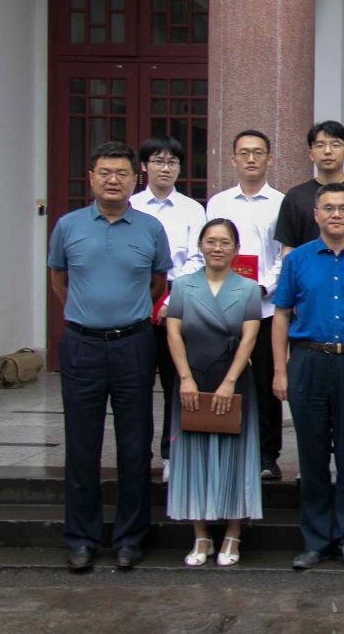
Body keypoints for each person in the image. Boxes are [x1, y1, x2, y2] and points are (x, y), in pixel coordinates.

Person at [48, 141, 171, 572]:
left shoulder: (151, 229)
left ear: (135, 179)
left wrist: (123, 315)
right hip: (82, 344)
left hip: (133, 344)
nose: (113, 180)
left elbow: (157, 284)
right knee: (82, 445)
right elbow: (59, 280)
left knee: (135, 444)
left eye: (122, 173)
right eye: (105, 172)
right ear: (91, 178)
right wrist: (89, 314)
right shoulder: (68, 226)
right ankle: (81, 539)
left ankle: (130, 538)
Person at [272, 182, 344, 571]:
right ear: (316, 215)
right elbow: (281, 315)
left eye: (343, 208)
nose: (336, 214)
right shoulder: (297, 260)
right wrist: (280, 370)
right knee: (313, 454)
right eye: (328, 208)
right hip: (308, 361)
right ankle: (315, 540)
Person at [165, 219, 263, 568]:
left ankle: (233, 533)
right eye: (210, 241)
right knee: (194, 453)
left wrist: (230, 381)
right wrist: (185, 378)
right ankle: (201, 535)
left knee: (235, 454)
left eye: (224, 242)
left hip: (233, 379)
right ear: (200, 246)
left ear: (236, 249)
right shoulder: (182, 286)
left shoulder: (249, 289)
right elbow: (173, 333)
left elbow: (250, 337)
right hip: (193, 377)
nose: (217, 248)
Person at [205, 129, 287, 482]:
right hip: (224, 306)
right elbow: (209, 250)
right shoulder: (218, 203)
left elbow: (285, 254)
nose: (251, 159)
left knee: (267, 383)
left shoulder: (282, 202)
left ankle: (268, 455)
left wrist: (264, 286)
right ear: (233, 159)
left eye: (258, 152)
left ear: (270, 158)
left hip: (265, 307)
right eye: (244, 153)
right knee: (225, 378)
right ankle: (227, 448)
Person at [129, 136, 206, 482]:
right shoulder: (131, 206)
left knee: (177, 383)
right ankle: (137, 452)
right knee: (136, 384)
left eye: (172, 161)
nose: (165, 168)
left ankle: (171, 453)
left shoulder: (193, 209)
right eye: (158, 161)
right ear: (144, 166)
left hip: (179, 299)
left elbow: (197, 257)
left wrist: (170, 302)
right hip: (135, 300)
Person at [275, 120, 344, 255]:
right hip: (309, 268)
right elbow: (288, 246)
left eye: (335, 145)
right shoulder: (295, 196)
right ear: (311, 154)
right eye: (320, 145)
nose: (327, 151)